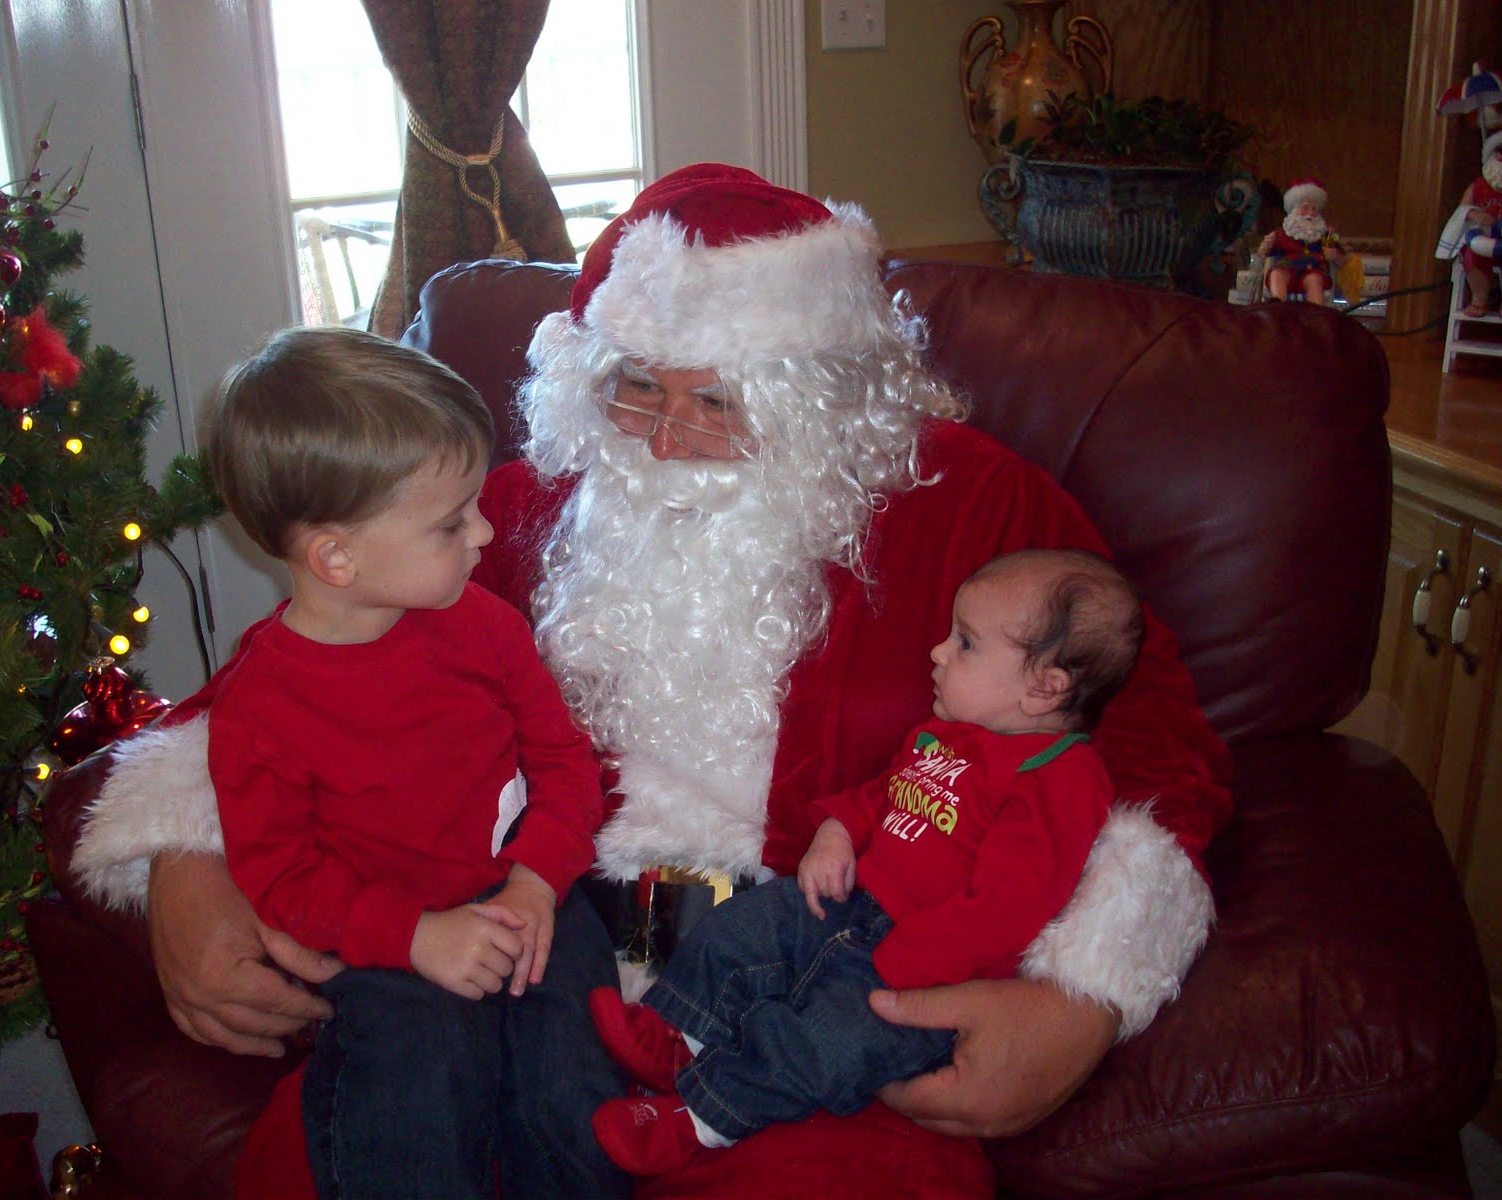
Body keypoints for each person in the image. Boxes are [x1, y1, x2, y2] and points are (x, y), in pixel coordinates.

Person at [73, 163, 1231, 1200]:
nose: (664, 438)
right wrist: (188, 864)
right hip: (532, 936)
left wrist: (1083, 998)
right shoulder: (502, 516)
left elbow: (1151, 734)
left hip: (804, 973)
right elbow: (285, 679)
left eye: (715, 400)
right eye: (634, 386)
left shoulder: (974, 507)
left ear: (812, 394)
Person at [200, 326, 628, 1200]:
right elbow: (282, 877)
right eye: (450, 521)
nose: (485, 531)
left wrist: (535, 883)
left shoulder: (486, 626)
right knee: (414, 1116)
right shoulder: (258, 708)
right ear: (336, 557)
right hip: (389, 936)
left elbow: (564, 766)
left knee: (574, 1105)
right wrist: (414, 937)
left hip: (530, 894)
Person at [588, 549, 1142, 1182]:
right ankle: (675, 1032)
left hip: (926, 973)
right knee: (742, 927)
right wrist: (836, 833)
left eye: (966, 644)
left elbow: (1007, 908)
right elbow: (882, 796)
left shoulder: (1061, 779)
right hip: (850, 900)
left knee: (822, 1044)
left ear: (1044, 688)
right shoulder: (945, 736)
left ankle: (698, 1121)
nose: (938, 652)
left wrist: (905, 964)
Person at [1436, 131, 1502, 316]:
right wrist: (1474, 214)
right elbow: (1461, 210)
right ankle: (1479, 298)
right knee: (1471, 255)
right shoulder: (1477, 187)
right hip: (1481, 240)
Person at [1255, 176, 1346, 306]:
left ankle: (1315, 312)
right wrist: (1265, 246)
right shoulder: (1282, 233)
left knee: (1314, 280)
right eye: (1305, 208)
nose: (1310, 213)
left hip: (1312, 272)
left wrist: (1334, 256)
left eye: (1314, 209)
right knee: (1276, 274)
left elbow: (1342, 261)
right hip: (1286, 270)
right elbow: (1262, 254)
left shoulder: (1325, 235)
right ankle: (1277, 308)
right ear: (1295, 210)